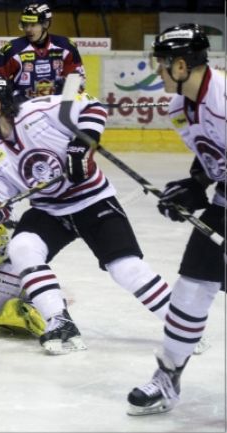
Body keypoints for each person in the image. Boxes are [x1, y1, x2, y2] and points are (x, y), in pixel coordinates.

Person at [0, 76, 175, 355]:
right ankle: (59, 320)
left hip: (92, 200)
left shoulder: (40, 110)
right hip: (48, 210)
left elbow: (92, 108)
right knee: (22, 247)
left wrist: (81, 145)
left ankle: (180, 324)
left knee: (125, 268)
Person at [126, 24, 225, 416]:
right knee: (191, 288)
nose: (158, 73)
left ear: (181, 65)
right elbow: (212, 158)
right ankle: (167, 378)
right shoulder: (178, 107)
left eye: (162, 66)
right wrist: (194, 186)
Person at [0, 3, 85, 100]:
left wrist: (65, 108)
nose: (28, 29)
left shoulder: (66, 47)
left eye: (33, 25)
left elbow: (78, 82)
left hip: (55, 109)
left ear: (46, 24)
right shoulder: (12, 49)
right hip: (22, 110)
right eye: (25, 25)